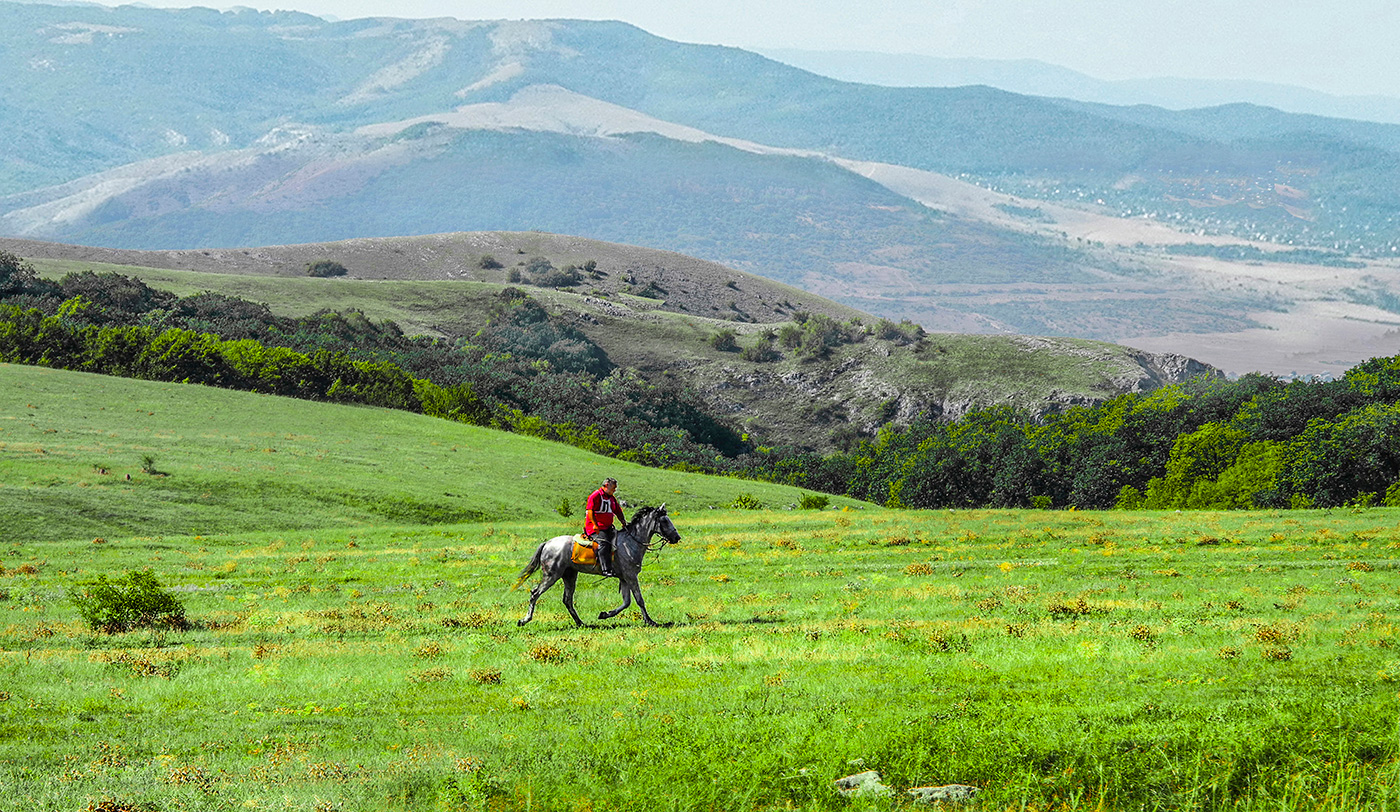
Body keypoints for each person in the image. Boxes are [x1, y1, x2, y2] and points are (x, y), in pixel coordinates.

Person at [584, 477, 626, 577]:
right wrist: (595, 524)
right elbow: (590, 511)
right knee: (604, 543)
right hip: (596, 529)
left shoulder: (611, 498)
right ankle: (605, 569)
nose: (615, 490)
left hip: (608, 527)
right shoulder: (595, 496)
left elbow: (618, 511)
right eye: (613, 488)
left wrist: (623, 521)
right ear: (606, 485)